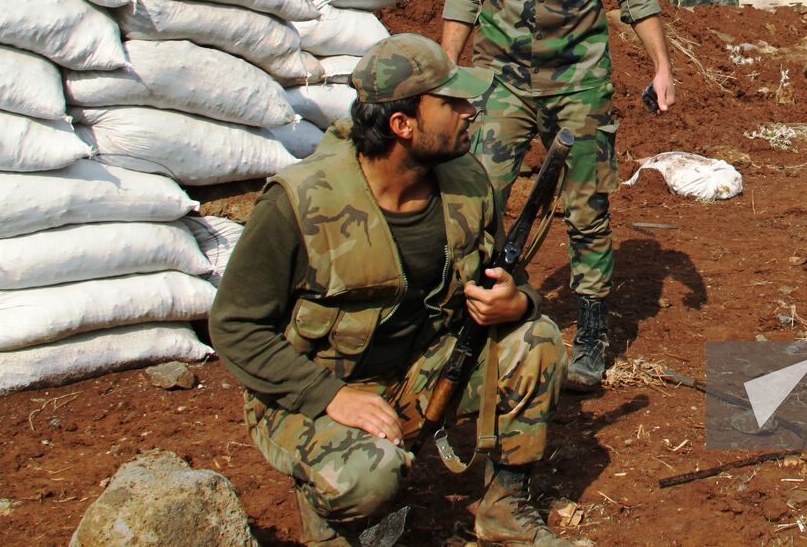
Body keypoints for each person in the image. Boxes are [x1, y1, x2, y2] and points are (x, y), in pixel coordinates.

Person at [210, 34, 574, 547]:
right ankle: (332, 516)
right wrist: (331, 396)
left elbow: (506, 277)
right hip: (310, 393)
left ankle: (505, 513)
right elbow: (233, 327)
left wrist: (518, 301)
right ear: (402, 125)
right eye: (452, 104)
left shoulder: (466, 182)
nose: (472, 112)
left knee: (536, 341)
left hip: (422, 370)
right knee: (368, 477)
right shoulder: (300, 202)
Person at [442, 0, 674, 393]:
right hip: (501, 82)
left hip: (580, 81)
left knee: (586, 209)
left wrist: (662, 67)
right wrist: (445, 80)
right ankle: (468, 321)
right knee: (477, 201)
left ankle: (591, 334)